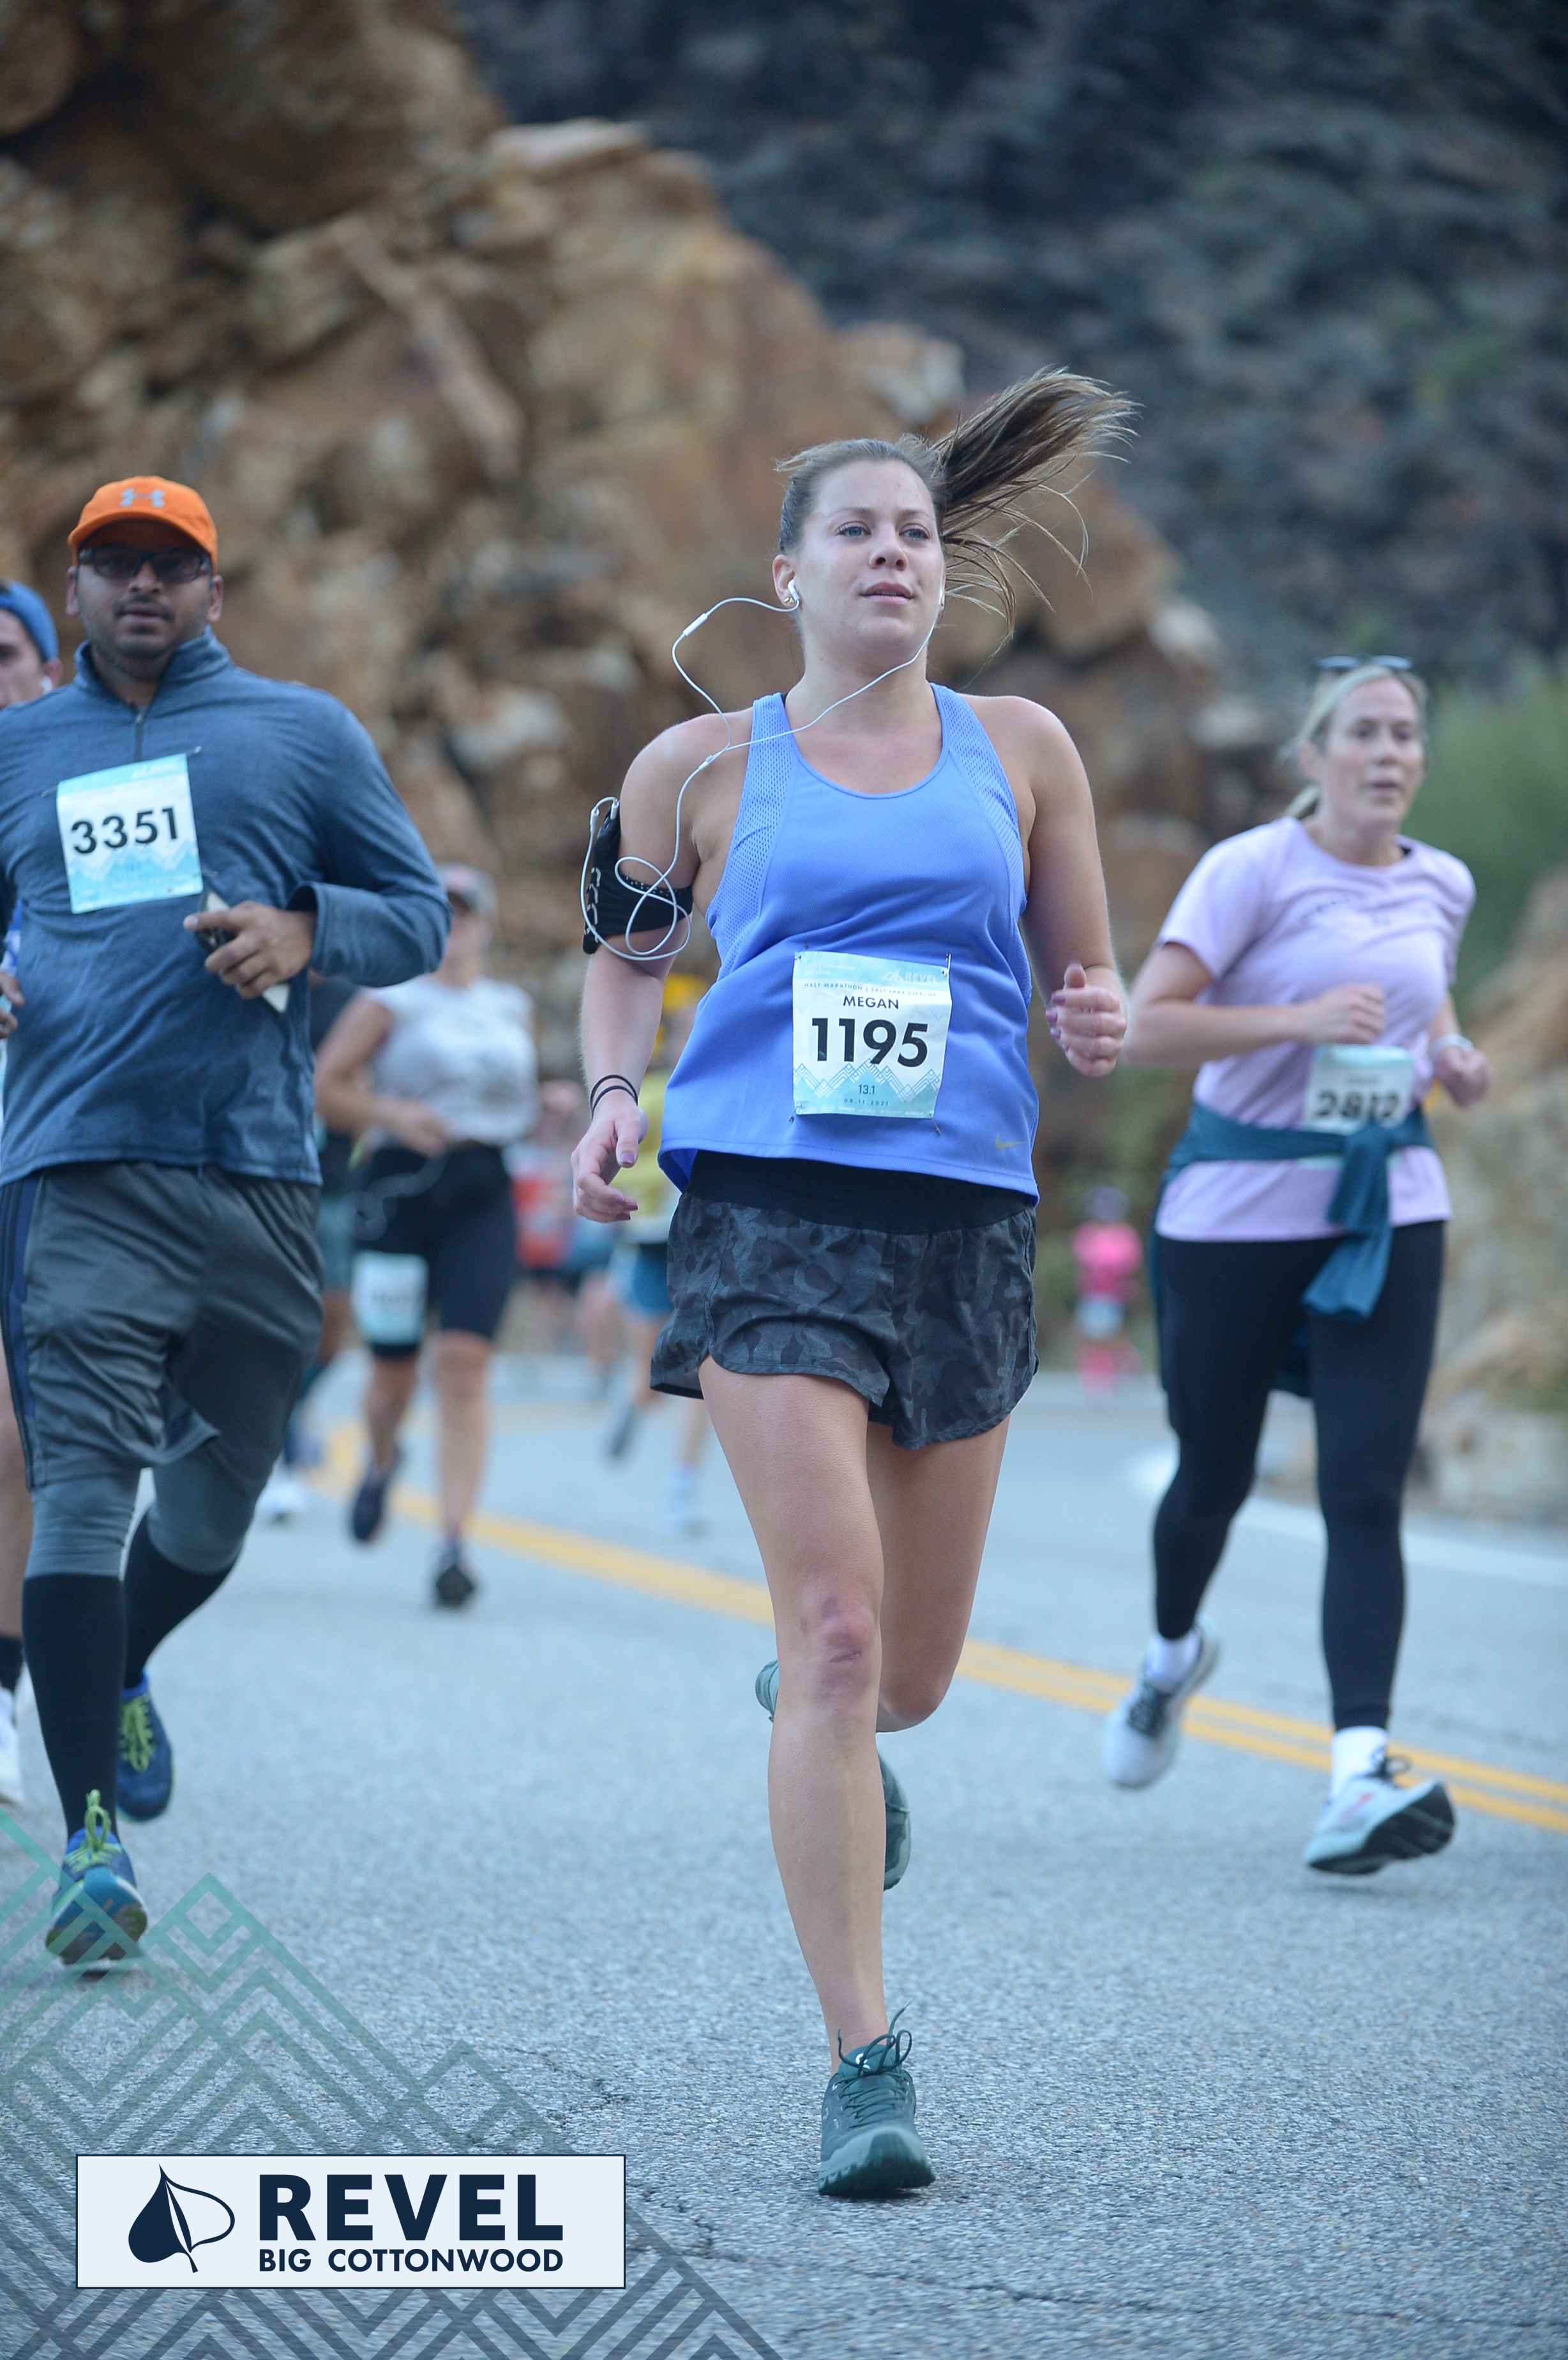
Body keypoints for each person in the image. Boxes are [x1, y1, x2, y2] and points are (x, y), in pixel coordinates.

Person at [571, 374, 1129, 2197]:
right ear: (789, 573)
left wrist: (1097, 1017)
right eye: (854, 532)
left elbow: (1083, 982)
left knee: (908, 1680)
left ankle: (829, 1719)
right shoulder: (696, 768)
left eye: (912, 532)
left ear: (937, 569)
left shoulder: (1023, 749)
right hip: (766, 1214)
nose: (890, 554)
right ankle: (862, 2064)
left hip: (963, 1222)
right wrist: (608, 1095)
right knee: (832, 1635)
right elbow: (622, 957)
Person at [0, 474, 448, 1964]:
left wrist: (308, 931)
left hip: (258, 1173)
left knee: (210, 1510)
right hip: (76, 1170)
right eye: (112, 563)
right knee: (83, 1492)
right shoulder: (18, 750)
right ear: (73, 587)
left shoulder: (300, 733)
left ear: (212, 589)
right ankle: (89, 1846)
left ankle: (122, 1662)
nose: (142, 585)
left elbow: (416, 915)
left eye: (170, 564)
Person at [1103, 656, 1491, 1875]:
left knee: (1365, 1490)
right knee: (1213, 1477)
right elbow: (1145, 1025)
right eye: (1362, 732)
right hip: (1236, 1214)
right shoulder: (1251, 870)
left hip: (1386, 1203)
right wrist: (1296, 1022)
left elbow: (1424, 1008)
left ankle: (1358, 1771)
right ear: (1312, 755)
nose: (1388, 754)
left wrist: (1452, 1055)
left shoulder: (1442, 883)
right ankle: (1171, 1654)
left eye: (1405, 734)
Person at [315, 863, 536, 1608]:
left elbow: (508, 1103)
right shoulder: (389, 1000)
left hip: (482, 1191)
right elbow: (325, 1087)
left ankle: (452, 1544)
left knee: (465, 1367)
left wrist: (547, 1108)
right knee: (391, 1378)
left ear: (485, 924)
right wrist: (391, 1116)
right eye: (439, 912)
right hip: (398, 1194)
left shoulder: (510, 1007)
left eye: (465, 912)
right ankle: (381, 1460)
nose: (454, 926)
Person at [0, 582, 60, 1806]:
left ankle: (10, 1686)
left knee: (14, 1433)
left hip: (49, 1148)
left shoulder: (86, 796)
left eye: (5, 655)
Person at [601, 976, 711, 1534]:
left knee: (706, 1372)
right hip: (652, 1239)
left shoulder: (727, 1085)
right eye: (688, 1028)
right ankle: (630, 1399)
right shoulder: (652, 1091)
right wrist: (663, 1176)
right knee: (652, 1372)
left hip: (711, 1239)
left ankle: (680, 1488)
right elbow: (624, 1163)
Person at [255, 970, 363, 1520]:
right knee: (268, 1321)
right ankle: (276, 1448)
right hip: (257, 1176)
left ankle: (287, 1415)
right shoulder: (255, 980)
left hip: (331, 1182)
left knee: (332, 1321)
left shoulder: (355, 999)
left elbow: (358, 1089)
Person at [1071, 1183, 1143, 1395]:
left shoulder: (1125, 1235)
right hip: (1092, 1296)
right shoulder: (1087, 1233)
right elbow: (1083, 1262)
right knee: (1092, 1340)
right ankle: (1097, 1380)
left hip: (1116, 1297)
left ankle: (1126, 1369)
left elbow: (1128, 1264)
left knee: (1113, 1339)